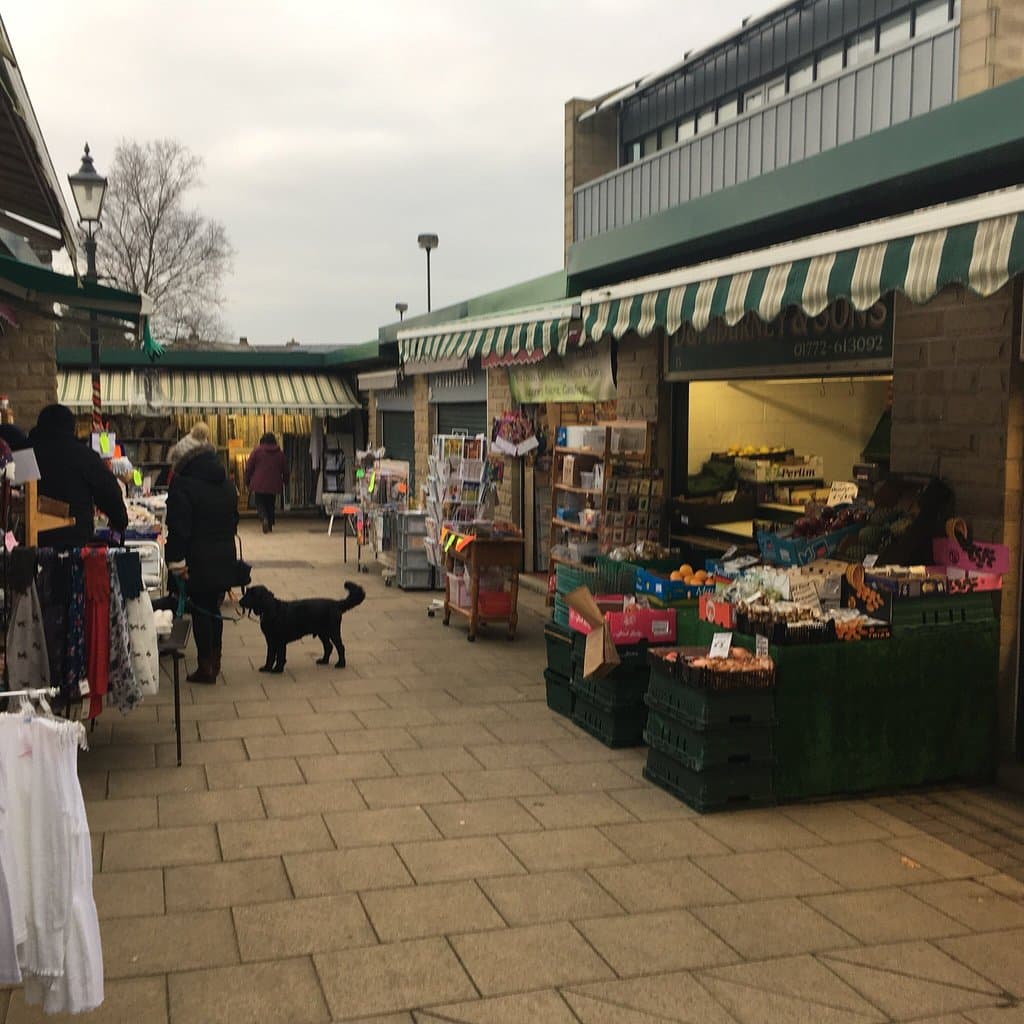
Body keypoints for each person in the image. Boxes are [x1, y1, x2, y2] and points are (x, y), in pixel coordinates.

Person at [165, 431, 239, 684]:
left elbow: (178, 527)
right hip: (224, 554)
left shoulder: (183, 484)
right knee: (213, 609)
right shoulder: (226, 483)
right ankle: (214, 661)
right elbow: (234, 520)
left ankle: (206, 665)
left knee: (201, 610)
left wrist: (176, 562)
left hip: (197, 558)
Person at [28, 403, 128, 548]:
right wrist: (119, 520)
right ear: (71, 428)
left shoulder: (26, 455)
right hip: (74, 541)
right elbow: (108, 490)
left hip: (30, 544)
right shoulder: (83, 456)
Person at [244, 432, 289, 533]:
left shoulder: (256, 451)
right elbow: (285, 469)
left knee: (260, 503)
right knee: (270, 503)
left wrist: (247, 481)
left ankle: (264, 518)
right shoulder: (280, 453)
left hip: (258, 483)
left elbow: (249, 467)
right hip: (274, 483)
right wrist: (285, 481)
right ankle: (269, 524)